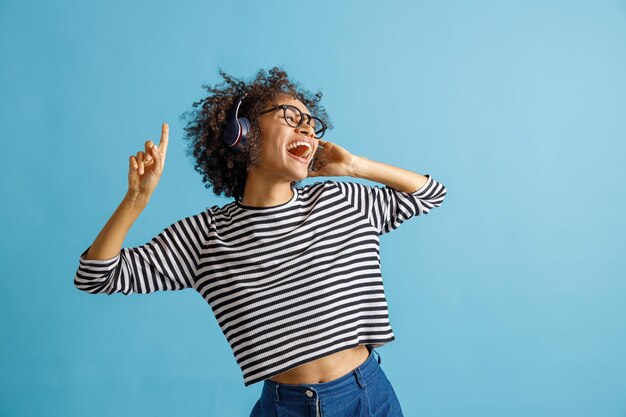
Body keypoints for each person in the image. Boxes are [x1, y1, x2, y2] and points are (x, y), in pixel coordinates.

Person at [74, 66, 447, 416]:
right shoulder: (205, 237)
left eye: (311, 123)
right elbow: (97, 276)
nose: (308, 129)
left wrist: (354, 166)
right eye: (290, 116)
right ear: (244, 132)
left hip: (366, 396)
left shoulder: (342, 199)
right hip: (283, 406)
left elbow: (429, 194)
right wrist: (136, 200)